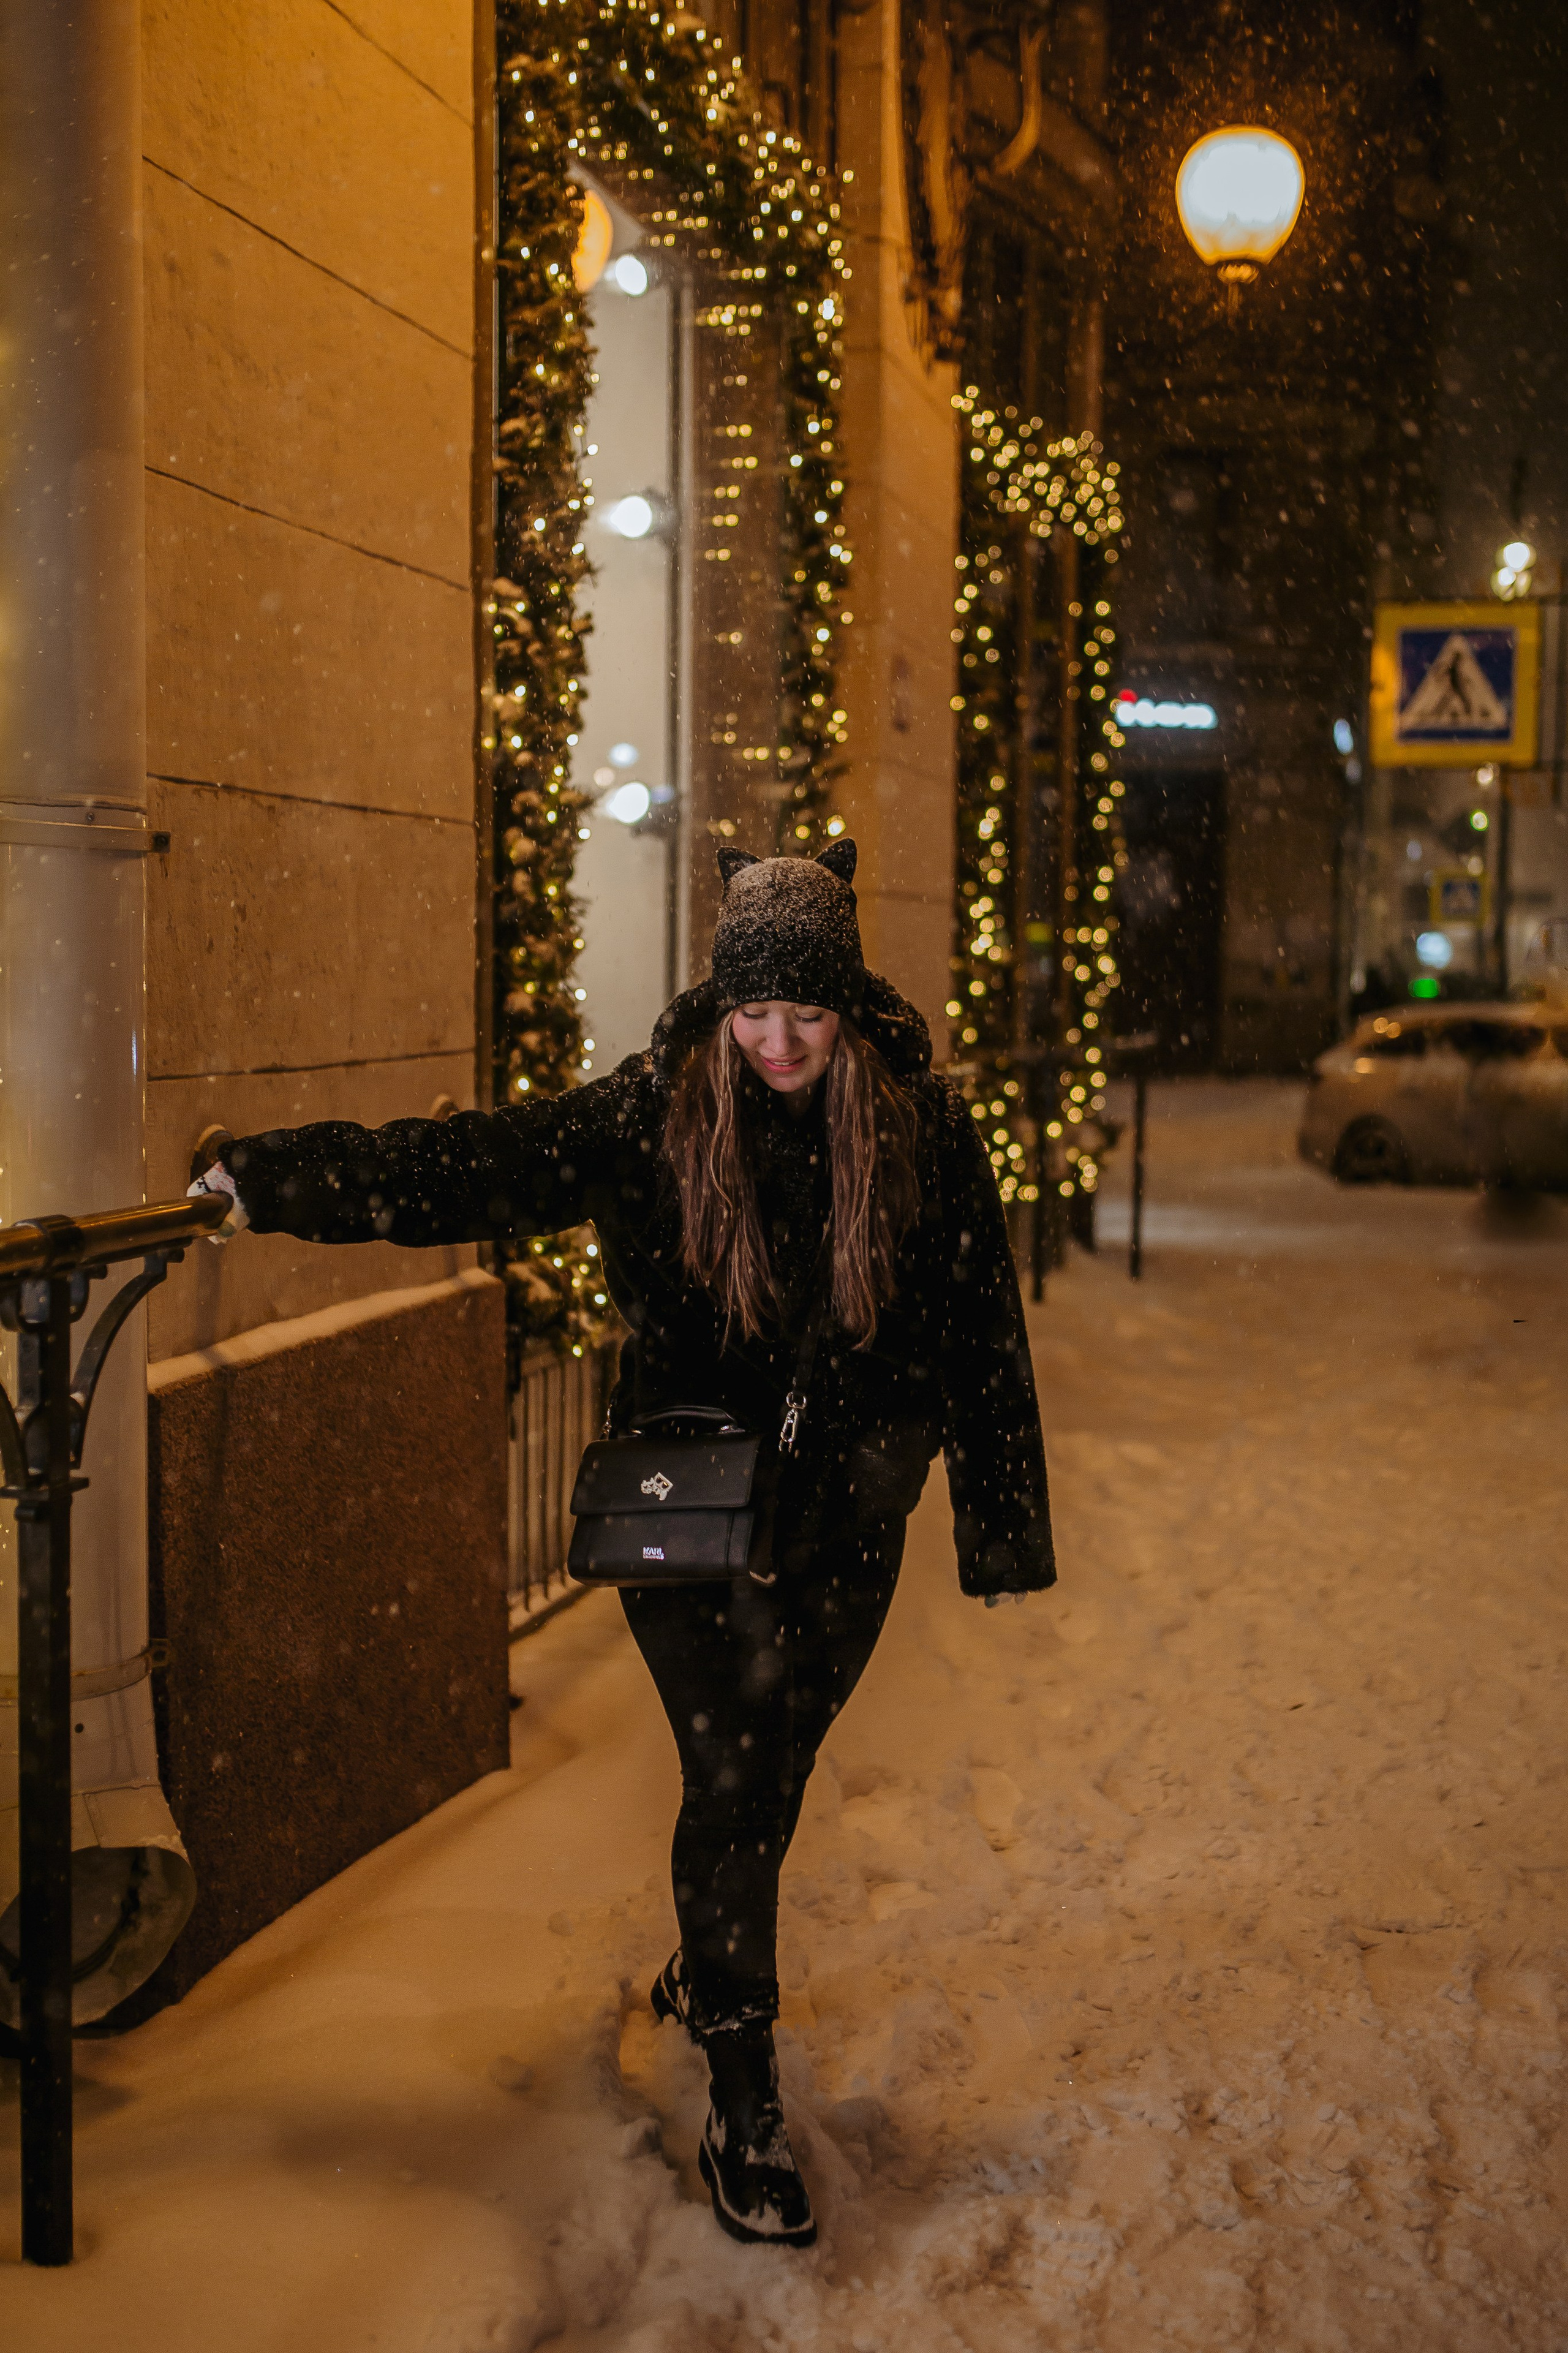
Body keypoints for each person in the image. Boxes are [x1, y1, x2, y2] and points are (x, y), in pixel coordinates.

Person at [196, 840, 1054, 2248]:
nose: (778, 1043)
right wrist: (274, 1179)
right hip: (690, 1507)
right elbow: (472, 1167)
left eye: (806, 1013)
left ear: (846, 1007)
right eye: (754, 1012)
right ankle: (740, 2085)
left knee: (772, 1770)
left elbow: (979, 1326)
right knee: (738, 1769)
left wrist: (998, 1519)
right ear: (722, 1002)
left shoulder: (919, 1125)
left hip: (845, 1518)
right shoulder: (654, 1107)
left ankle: (710, 1960)